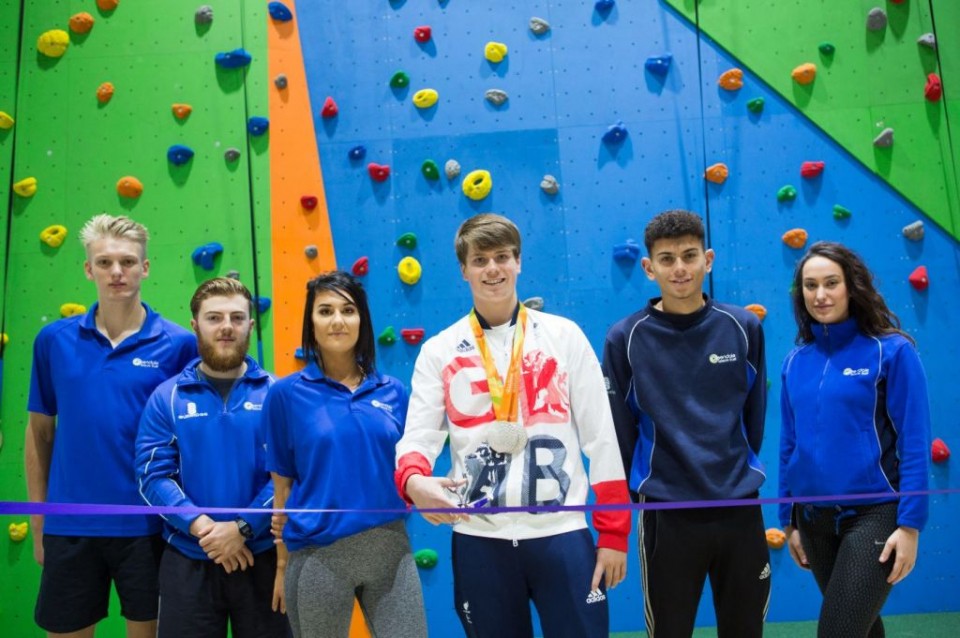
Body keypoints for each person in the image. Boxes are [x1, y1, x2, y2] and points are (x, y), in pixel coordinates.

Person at [395, 213, 631, 638]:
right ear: (464, 270)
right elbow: (419, 435)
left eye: (502, 257)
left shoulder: (565, 336)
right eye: (480, 259)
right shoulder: (439, 350)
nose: (492, 269)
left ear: (518, 262)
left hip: (562, 532)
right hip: (479, 538)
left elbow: (601, 437)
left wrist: (613, 532)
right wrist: (413, 482)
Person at [25, 214, 197, 637]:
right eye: (104, 262)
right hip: (70, 526)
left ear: (145, 267)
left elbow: (191, 441)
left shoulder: (179, 345)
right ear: (88, 269)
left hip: (151, 527)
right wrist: (38, 519)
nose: (116, 272)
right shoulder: (53, 341)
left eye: (127, 261)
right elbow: (39, 433)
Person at [602, 209, 770, 638]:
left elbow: (754, 419)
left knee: (745, 630)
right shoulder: (625, 338)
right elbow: (621, 431)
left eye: (689, 255)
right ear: (649, 267)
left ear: (708, 260)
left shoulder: (744, 327)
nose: (680, 268)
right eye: (667, 258)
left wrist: (729, 471)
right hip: (667, 514)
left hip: (739, 508)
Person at [779, 241, 931, 638]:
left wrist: (911, 526)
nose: (821, 294)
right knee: (862, 628)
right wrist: (788, 518)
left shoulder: (893, 352)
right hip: (812, 522)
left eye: (831, 283)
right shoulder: (795, 361)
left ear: (852, 286)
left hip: (874, 515)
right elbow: (788, 444)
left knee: (838, 631)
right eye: (810, 286)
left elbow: (913, 443)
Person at [263, 271, 427, 638]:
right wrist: (281, 566)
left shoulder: (394, 392)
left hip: (391, 550)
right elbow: (282, 491)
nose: (337, 320)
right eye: (325, 311)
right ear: (311, 322)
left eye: (348, 310)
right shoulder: (285, 395)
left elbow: (409, 471)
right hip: (318, 554)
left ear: (361, 320)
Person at [135, 277, 287, 638]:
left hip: (262, 557)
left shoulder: (279, 394)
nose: (226, 328)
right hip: (189, 559)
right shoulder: (166, 397)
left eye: (237, 318)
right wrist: (204, 528)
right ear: (195, 325)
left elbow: (287, 475)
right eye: (214, 318)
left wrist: (242, 528)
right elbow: (152, 475)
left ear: (251, 324)